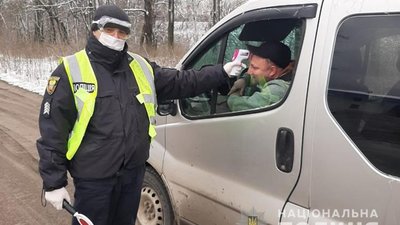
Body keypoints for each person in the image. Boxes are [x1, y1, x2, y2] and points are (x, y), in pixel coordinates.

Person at [37, 4, 238, 225]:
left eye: (122, 32)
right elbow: (52, 130)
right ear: (94, 29)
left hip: (132, 175)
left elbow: (182, 82)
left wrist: (221, 72)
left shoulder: (140, 66)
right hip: (94, 179)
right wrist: (53, 182)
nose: (116, 36)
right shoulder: (70, 70)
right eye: (109, 29)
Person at [227, 41, 293, 111]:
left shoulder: (277, 90)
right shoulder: (271, 76)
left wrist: (234, 94)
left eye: (254, 67)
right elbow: (260, 79)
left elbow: (239, 106)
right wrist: (244, 80)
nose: (249, 71)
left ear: (272, 71)